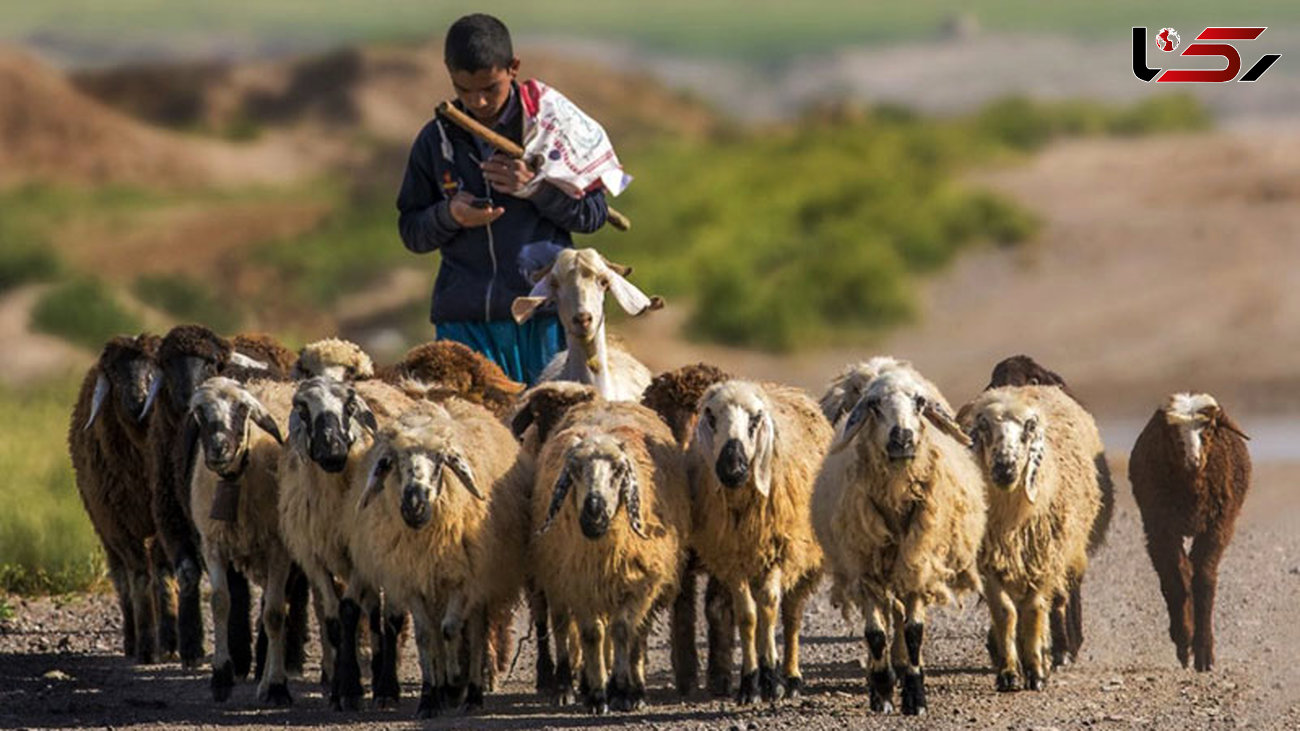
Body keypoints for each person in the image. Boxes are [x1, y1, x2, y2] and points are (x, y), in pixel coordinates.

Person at [397, 13, 609, 385]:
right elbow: (412, 231)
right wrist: (450, 215)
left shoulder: (553, 129)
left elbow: (593, 214)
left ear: (513, 68)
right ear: (449, 74)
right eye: (464, 90)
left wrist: (536, 189)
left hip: (543, 317)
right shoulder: (435, 140)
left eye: (489, 88)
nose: (478, 101)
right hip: (464, 325)